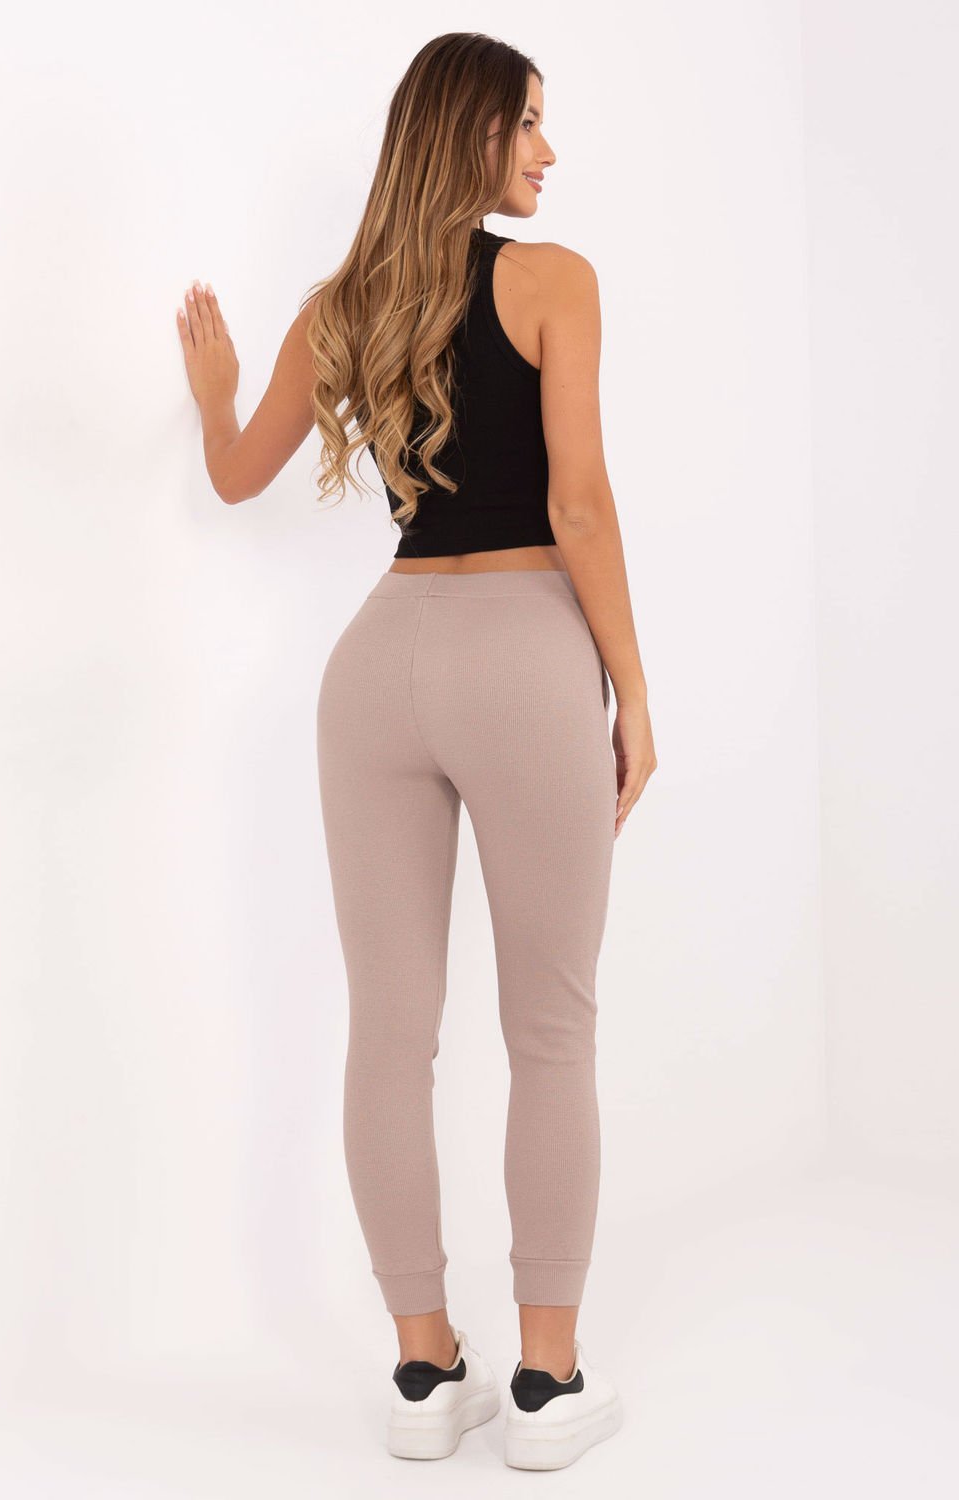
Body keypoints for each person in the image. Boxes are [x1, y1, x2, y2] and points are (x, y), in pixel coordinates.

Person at [177, 30, 656, 1472]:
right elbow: (579, 507)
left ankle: (422, 1367)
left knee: (390, 1034)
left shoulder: (343, 307)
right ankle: (546, 1389)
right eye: (528, 123)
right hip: (522, 658)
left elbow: (236, 474)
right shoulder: (554, 282)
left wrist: (214, 395)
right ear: (470, 132)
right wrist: (633, 692)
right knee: (550, 1029)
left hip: (376, 671)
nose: (548, 153)